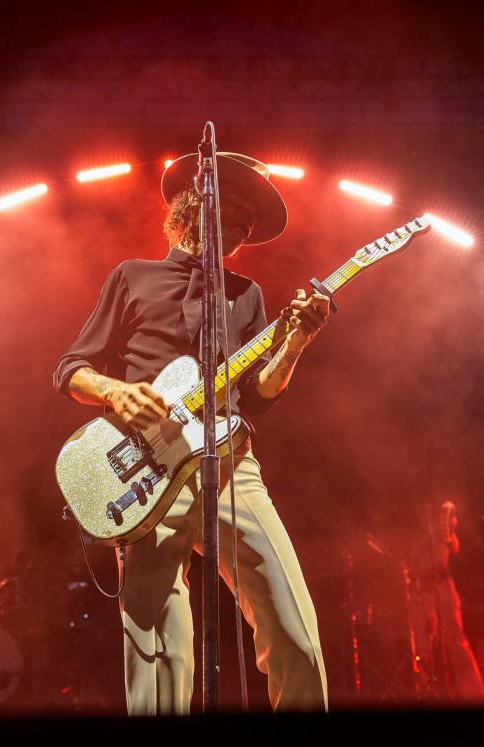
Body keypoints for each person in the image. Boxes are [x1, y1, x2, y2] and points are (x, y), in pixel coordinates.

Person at [53, 153, 330, 714]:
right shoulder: (132, 276)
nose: (246, 227)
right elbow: (71, 369)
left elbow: (258, 395)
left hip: (232, 466)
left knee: (295, 633)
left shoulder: (247, 294)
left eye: (252, 222)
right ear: (194, 204)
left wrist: (296, 344)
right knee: (159, 656)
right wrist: (114, 391)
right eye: (237, 210)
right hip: (147, 470)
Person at [409, 499, 484, 701]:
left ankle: (475, 696)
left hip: (443, 587)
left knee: (457, 643)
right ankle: (427, 695)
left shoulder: (441, 525)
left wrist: (449, 530)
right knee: (422, 648)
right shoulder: (411, 534)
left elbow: (454, 545)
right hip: (421, 591)